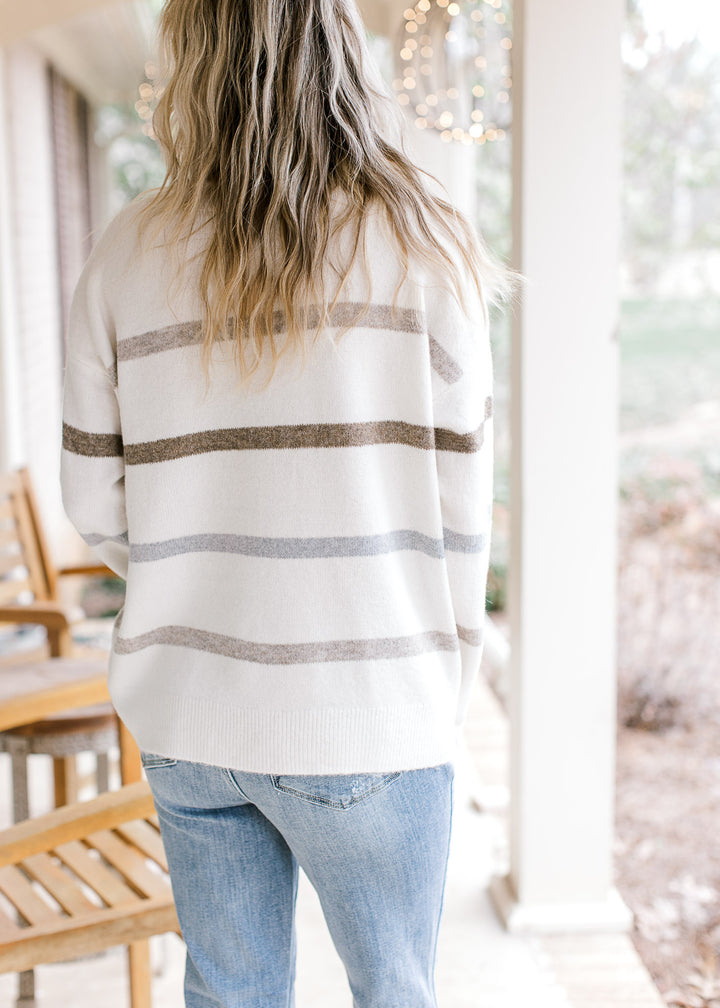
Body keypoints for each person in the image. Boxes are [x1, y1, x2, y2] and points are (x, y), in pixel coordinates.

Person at [60, 1, 512, 1005]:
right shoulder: (424, 243)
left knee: (229, 991)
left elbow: (94, 498)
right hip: (373, 712)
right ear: (343, 54)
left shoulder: (126, 253)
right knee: (396, 990)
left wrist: (197, 578)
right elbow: (461, 510)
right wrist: (439, 682)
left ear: (190, 58)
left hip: (190, 711)